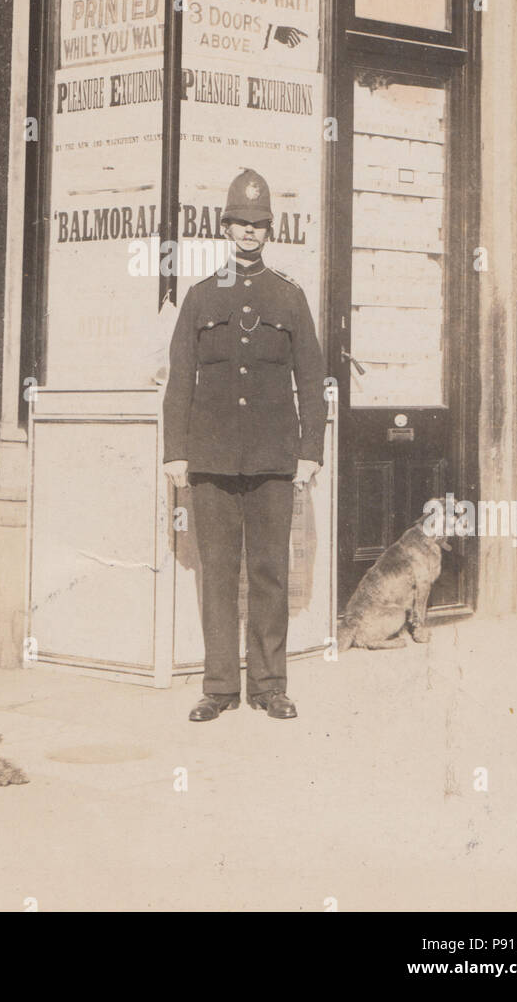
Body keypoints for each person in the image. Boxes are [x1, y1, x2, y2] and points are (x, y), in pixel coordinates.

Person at [163, 169, 327, 721]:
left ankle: (269, 685)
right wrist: (176, 452)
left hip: (273, 461)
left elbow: (312, 381)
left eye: (259, 225)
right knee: (216, 572)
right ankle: (218, 687)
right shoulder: (201, 296)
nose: (249, 233)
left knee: (268, 572)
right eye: (240, 223)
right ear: (226, 228)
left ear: (268, 231)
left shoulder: (289, 296)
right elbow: (180, 380)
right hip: (211, 460)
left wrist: (310, 452)